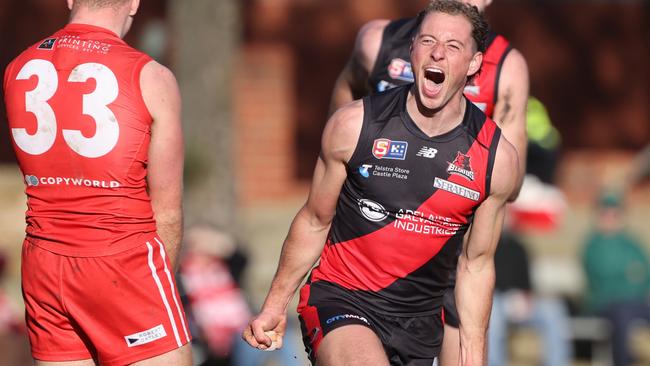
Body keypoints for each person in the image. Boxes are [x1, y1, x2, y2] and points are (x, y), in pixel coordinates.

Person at [242, 1, 519, 365]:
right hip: (342, 296)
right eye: (428, 41)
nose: (437, 53)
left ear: (473, 64)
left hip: (419, 321)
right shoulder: (355, 125)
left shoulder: (495, 158)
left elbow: (477, 265)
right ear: (412, 50)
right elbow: (314, 220)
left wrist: (473, 357)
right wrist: (274, 306)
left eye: (453, 46)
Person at [329, 2, 529, 364]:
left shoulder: (507, 67)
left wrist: (451, 171)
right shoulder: (378, 41)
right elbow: (345, 98)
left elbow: (509, 184)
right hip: (372, 245)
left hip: (448, 257)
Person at [3, 0, 192, 364]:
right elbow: (167, 210)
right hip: (121, 257)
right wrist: (152, 291)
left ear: (71, 0)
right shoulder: (150, 76)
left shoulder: (18, 67)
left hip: (44, 261)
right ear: (134, 3)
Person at [581, 192, 650, 366]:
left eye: (615, 214)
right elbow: (604, 276)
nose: (610, 218)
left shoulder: (631, 243)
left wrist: (631, 276)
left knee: (628, 311)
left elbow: (645, 273)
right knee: (623, 317)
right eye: (606, 213)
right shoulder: (593, 245)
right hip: (606, 303)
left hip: (637, 302)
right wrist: (629, 275)